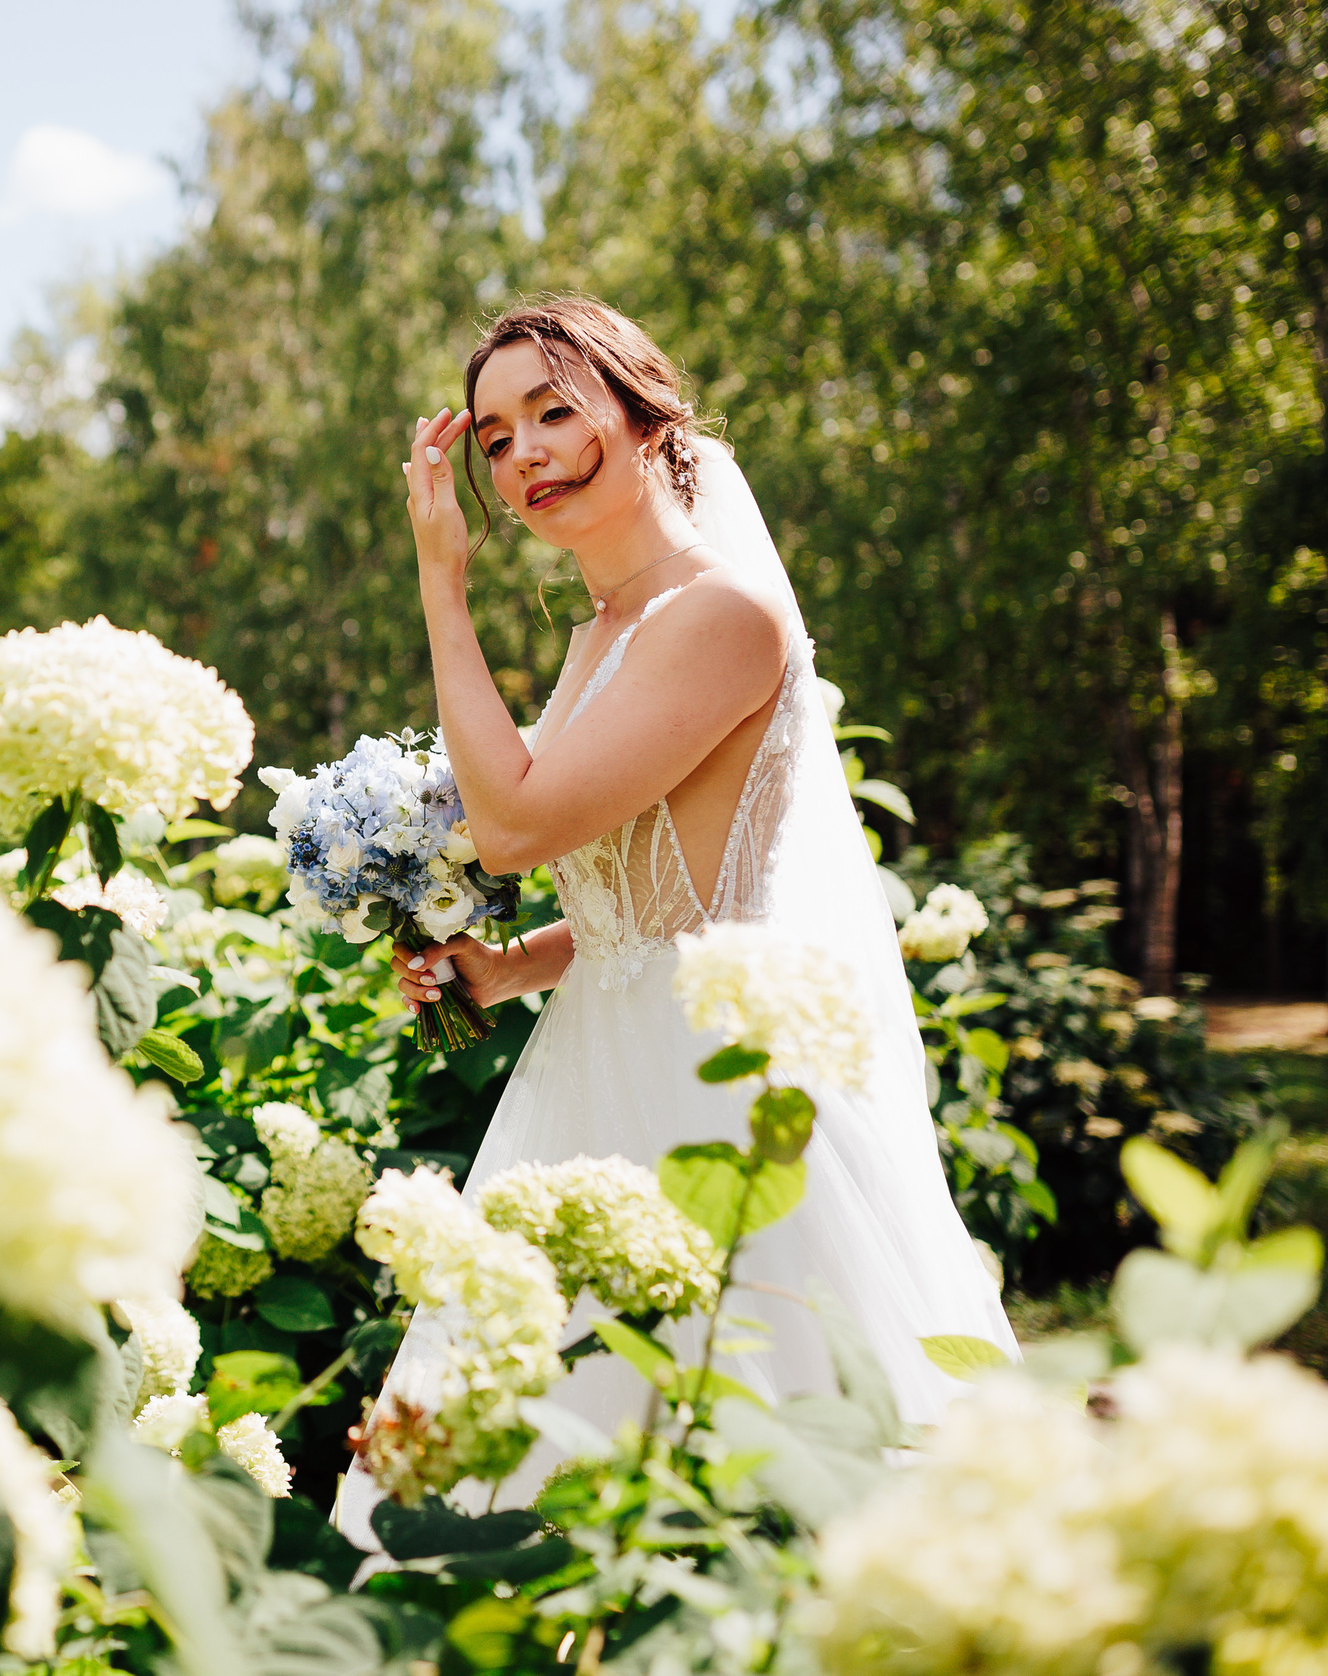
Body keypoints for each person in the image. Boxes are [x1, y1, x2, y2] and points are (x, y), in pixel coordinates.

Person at [331, 294, 1017, 1549]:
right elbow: (654, 900)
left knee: (763, 1457)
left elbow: (517, 829)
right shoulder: (604, 629)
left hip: (718, 1085)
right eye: (491, 437)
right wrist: (504, 966)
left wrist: (441, 583)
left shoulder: (718, 613)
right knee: (563, 1460)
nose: (522, 452)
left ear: (644, 416)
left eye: (552, 409)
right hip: (598, 1062)